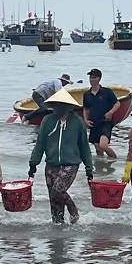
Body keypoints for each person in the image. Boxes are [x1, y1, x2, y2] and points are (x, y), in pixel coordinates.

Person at [27, 87, 93, 224]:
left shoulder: (78, 122)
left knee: (58, 190)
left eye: (61, 105)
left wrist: (89, 168)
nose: (58, 108)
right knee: (54, 203)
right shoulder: (47, 121)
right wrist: (33, 163)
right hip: (51, 165)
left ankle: (72, 207)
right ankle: (59, 236)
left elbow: (84, 146)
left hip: (70, 164)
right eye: (56, 105)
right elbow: (40, 144)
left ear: (69, 107)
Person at [81, 68, 120, 159]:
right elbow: (85, 108)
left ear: (99, 79)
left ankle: (114, 161)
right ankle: (101, 168)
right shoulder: (86, 94)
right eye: (90, 77)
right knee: (98, 149)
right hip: (94, 123)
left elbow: (117, 103)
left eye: (94, 77)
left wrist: (110, 112)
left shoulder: (107, 92)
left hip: (105, 122)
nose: (92, 79)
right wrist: (85, 120)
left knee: (103, 145)